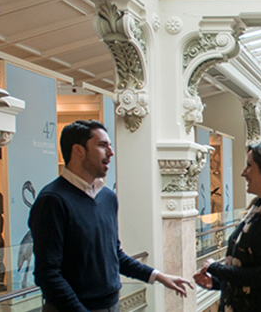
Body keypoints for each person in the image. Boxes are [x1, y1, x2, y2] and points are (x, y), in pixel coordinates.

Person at [30, 120, 192, 312]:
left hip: (112, 305)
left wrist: (157, 276)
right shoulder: (52, 201)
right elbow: (48, 274)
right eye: (102, 145)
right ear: (78, 150)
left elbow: (115, 255)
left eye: (110, 145)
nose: (111, 152)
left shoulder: (107, 197)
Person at [193, 142, 261, 312]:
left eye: (249, 165)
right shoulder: (258, 206)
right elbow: (248, 268)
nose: (243, 173)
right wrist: (216, 282)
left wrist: (217, 269)